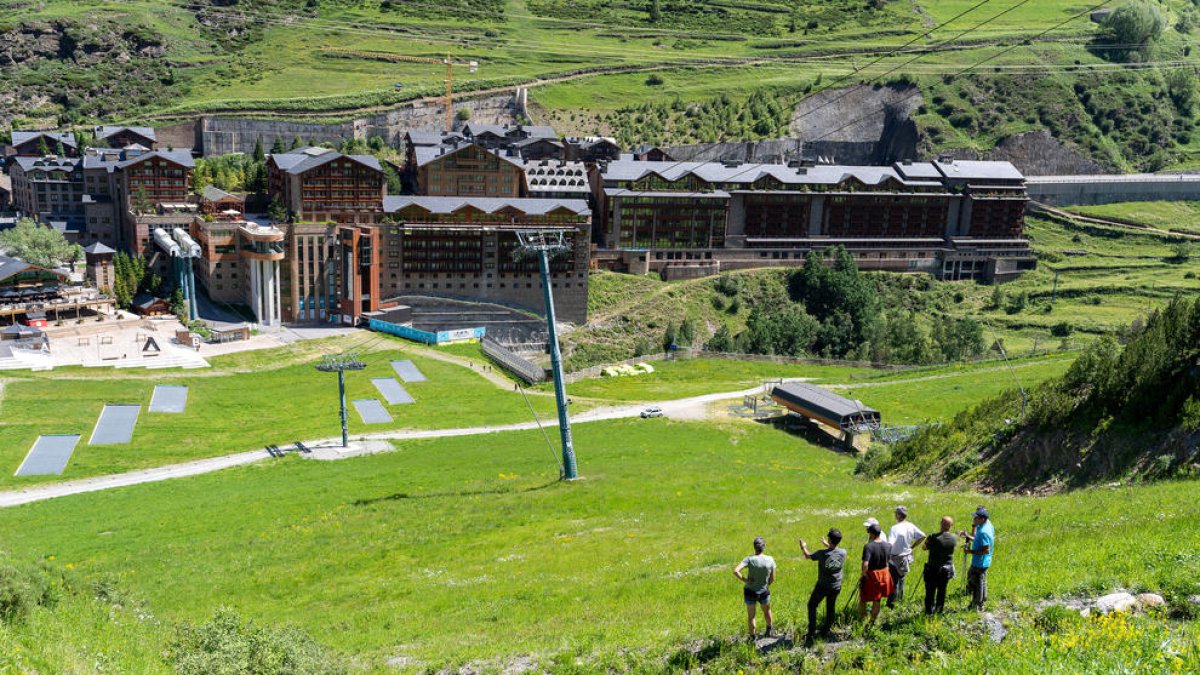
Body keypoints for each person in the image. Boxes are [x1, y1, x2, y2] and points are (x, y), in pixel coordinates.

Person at [799, 528, 846, 642]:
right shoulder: (843, 552)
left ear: (830, 539)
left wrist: (803, 546)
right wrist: (827, 544)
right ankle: (825, 631)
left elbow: (807, 556)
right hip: (836, 586)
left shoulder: (822, 553)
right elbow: (833, 552)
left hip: (823, 586)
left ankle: (811, 633)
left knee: (812, 606)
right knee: (830, 608)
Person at [733, 537, 776, 638]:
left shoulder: (749, 559)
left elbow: (736, 571)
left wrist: (746, 580)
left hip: (750, 592)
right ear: (764, 547)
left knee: (751, 616)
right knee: (767, 611)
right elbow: (773, 578)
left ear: (754, 547)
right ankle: (769, 629)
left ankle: (752, 637)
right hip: (764, 591)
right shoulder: (770, 559)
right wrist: (765, 585)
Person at [886, 506, 926, 608]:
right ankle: (900, 600)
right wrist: (912, 547)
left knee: (893, 582)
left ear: (899, 515)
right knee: (901, 579)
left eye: (896, 513)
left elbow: (890, 544)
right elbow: (922, 536)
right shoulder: (911, 526)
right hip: (906, 557)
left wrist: (886, 556)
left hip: (895, 558)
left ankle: (891, 604)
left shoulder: (894, 528)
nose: (895, 515)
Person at [858, 519, 893, 627]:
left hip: (871, 575)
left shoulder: (868, 546)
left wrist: (863, 575)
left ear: (871, 534)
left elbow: (865, 564)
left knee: (863, 599)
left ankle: (862, 620)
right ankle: (872, 622)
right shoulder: (888, 545)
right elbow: (887, 560)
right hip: (883, 575)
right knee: (877, 600)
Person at [959, 507, 994, 611]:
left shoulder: (984, 531)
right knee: (981, 581)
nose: (974, 519)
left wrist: (969, 552)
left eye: (976, 518)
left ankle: (976, 606)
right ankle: (982, 601)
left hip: (980, 562)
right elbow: (977, 539)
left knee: (976, 584)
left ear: (982, 519)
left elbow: (986, 550)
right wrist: (968, 536)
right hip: (983, 562)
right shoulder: (985, 525)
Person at [922, 516, 958, 615]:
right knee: (942, 592)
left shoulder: (933, 537)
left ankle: (929, 612)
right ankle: (939, 611)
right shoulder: (954, 538)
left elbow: (924, 547)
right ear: (951, 526)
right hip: (946, 570)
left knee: (930, 592)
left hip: (932, 569)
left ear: (941, 524)